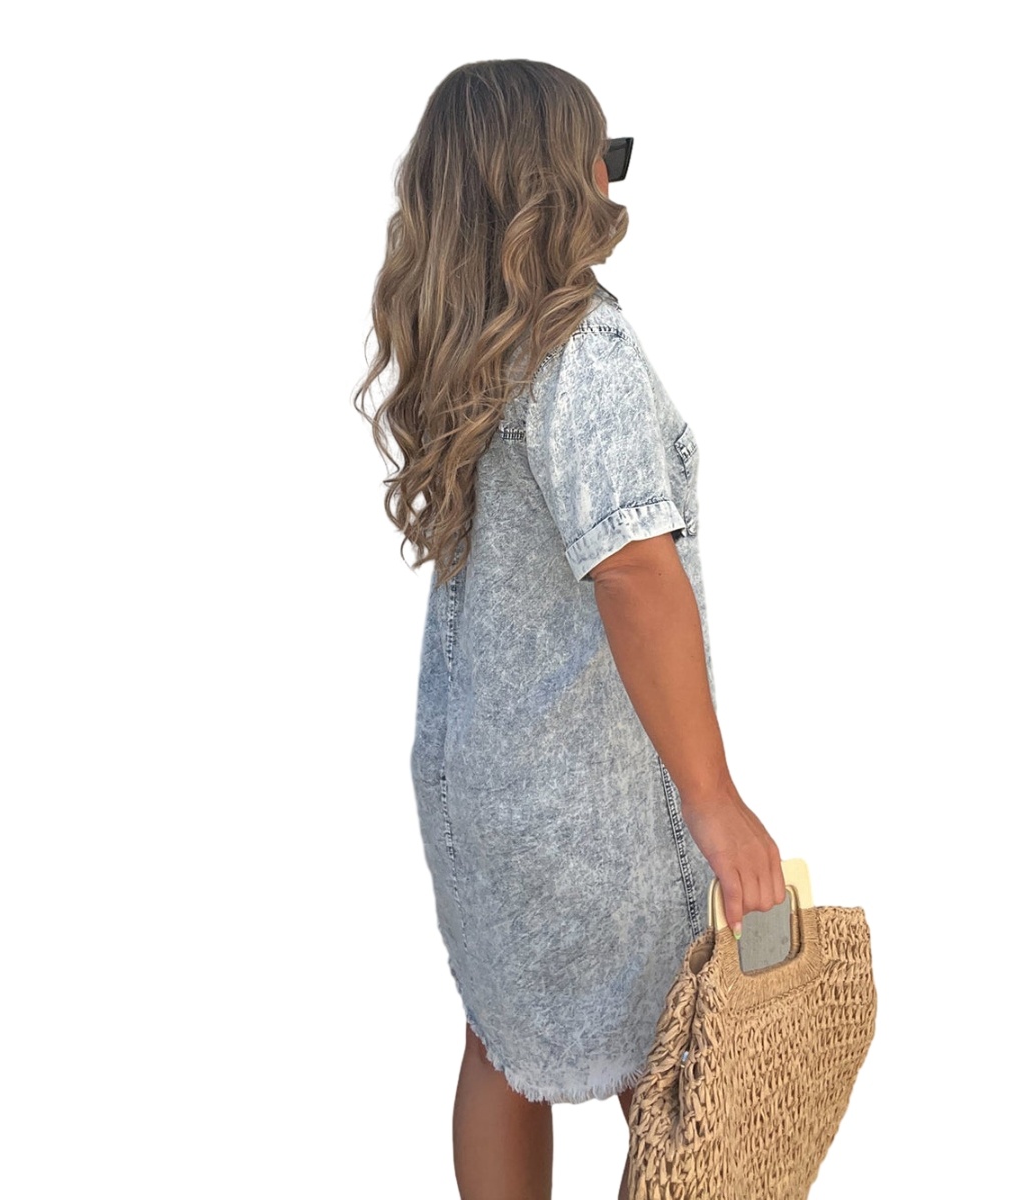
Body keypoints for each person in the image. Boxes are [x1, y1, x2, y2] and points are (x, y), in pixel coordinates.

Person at [353, 58, 786, 1200]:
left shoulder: (470, 344)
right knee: (674, 1055)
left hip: (480, 782)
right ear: (559, 180)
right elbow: (634, 572)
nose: (613, 181)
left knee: (502, 1040)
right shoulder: (580, 350)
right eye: (607, 158)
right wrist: (712, 797)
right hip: (581, 799)